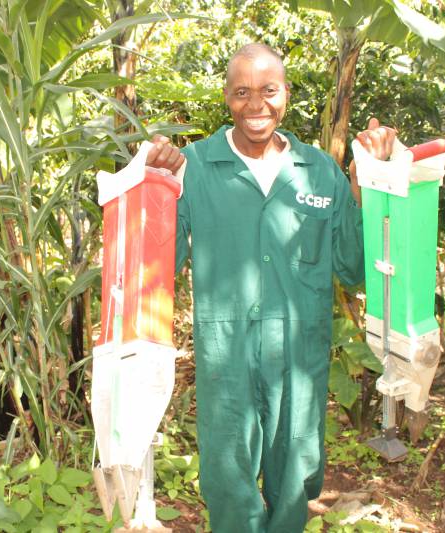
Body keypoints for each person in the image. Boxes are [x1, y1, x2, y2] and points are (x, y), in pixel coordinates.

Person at [144, 43, 396, 532]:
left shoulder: (320, 170)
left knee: (298, 470)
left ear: (286, 95)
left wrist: (369, 179)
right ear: (226, 97)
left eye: (268, 91)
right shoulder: (194, 167)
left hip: (300, 356)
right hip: (226, 354)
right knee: (226, 471)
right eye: (242, 92)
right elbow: (162, 265)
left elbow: (352, 267)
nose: (255, 105)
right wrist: (158, 182)